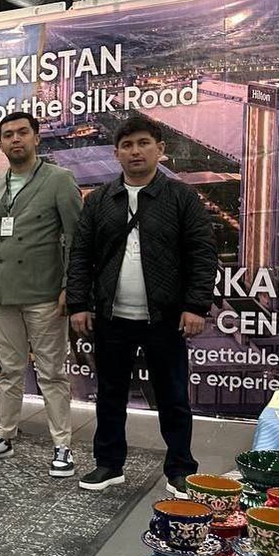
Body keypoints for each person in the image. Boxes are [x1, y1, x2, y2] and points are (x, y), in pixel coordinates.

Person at [66, 115, 217, 497]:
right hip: (111, 317)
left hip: (165, 318)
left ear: (159, 149)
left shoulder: (181, 197)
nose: (135, 151)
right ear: (116, 153)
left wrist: (196, 306)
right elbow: (81, 255)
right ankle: (108, 464)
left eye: (143, 143)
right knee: (110, 394)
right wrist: (79, 303)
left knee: (173, 397)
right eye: (127, 145)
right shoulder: (99, 200)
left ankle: (181, 468)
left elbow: (202, 254)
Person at [0, 113, 83, 477]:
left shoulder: (59, 180)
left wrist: (70, 287)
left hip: (45, 294)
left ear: (36, 138)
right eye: (8, 135)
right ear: (0, 144)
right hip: (2, 295)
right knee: (9, 371)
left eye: (22, 133)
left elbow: (76, 239)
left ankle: (62, 444)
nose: (15, 139)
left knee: (51, 373)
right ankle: (2, 436)